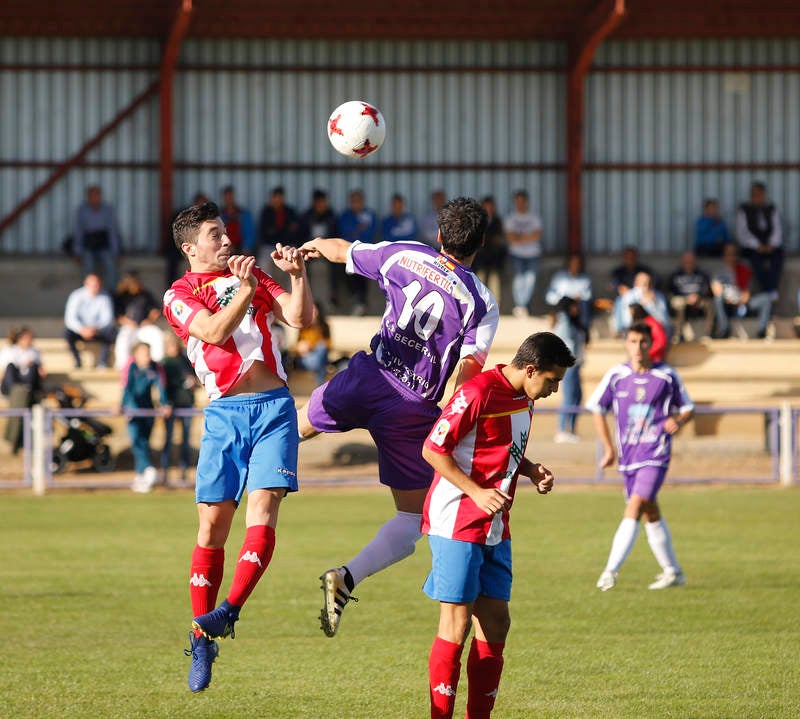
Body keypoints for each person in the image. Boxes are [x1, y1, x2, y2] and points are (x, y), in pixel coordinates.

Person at [298, 196, 500, 638]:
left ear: (440, 235)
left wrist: (313, 245)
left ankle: (239, 478)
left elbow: (344, 249)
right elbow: (468, 373)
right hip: (412, 409)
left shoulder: (406, 253)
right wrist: (450, 413)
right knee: (412, 521)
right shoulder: (481, 302)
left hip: (371, 375)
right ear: (482, 242)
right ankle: (346, 577)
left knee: (294, 428)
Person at [163, 201, 314, 692]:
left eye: (225, 231)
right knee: (211, 528)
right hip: (225, 417)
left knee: (264, 510)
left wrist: (294, 277)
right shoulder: (179, 293)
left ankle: (228, 611)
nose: (226, 239)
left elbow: (301, 318)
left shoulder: (250, 273)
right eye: (214, 234)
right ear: (190, 247)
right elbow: (212, 331)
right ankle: (201, 635)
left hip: (273, 408)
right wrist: (247, 289)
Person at [421, 332, 574, 719]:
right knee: (456, 625)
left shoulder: (525, 396)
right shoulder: (477, 392)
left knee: (497, 623)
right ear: (531, 368)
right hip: (457, 519)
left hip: (494, 524)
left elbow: (501, 448)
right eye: (552, 381)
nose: (554, 390)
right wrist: (475, 492)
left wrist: (528, 468)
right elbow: (432, 449)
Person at [586, 322, 693, 592]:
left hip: (656, 453)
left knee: (634, 506)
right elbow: (597, 408)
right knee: (649, 510)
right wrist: (609, 448)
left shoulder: (667, 375)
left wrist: (678, 421)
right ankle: (673, 572)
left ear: (651, 344)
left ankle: (610, 571)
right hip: (628, 456)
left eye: (643, 342)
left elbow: (688, 407)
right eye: (632, 341)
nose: (638, 347)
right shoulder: (617, 375)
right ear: (626, 343)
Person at [121, 342, 171, 494]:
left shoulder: (155, 368)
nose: (147, 356)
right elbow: (127, 388)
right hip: (134, 410)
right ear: (135, 355)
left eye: (148, 353)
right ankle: (148, 469)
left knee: (144, 442)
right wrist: (125, 406)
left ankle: (141, 476)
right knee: (136, 440)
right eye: (144, 353)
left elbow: (160, 387)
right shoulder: (131, 367)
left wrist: (164, 404)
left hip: (148, 410)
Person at [711, 243, 774, 339]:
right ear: (724, 255)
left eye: (733, 254)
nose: (731, 257)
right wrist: (728, 298)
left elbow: (749, 289)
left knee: (766, 298)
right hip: (727, 304)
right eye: (728, 254)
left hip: (744, 303)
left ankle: (761, 331)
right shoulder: (718, 272)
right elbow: (716, 289)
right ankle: (724, 330)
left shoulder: (743, 269)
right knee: (717, 299)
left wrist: (745, 296)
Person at [1, 327, 45, 454]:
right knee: (11, 368)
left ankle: (17, 441)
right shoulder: (9, 351)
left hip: (29, 387)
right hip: (13, 387)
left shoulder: (35, 351)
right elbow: (6, 373)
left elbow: (40, 372)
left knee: (33, 368)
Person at [159, 335, 197, 484]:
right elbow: (163, 385)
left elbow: (195, 377)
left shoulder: (185, 361)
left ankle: (184, 471)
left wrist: (193, 383)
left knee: (186, 440)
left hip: (186, 403)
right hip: (171, 404)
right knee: (168, 439)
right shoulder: (164, 363)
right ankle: (165, 470)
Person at [736, 181, 783, 296]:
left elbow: (777, 230)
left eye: (759, 194)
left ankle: (772, 289)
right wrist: (757, 245)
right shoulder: (744, 210)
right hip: (752, 248)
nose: (757, 198)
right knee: (756, 262)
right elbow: (742, 233)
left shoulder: (771, 209)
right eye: (754, 195)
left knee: (777, 258)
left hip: (769, 246)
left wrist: (771, 245)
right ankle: (768, 291)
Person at [299, 189, 344, 312]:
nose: (322, 206)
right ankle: (306, 298)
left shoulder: (331, 216)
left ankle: (333, 297)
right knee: (302, 266)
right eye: (320, 203)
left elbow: (336, 235)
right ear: (315, 203)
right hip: (309, 250)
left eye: (324, 202)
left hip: (327, 250)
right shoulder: (306, 217)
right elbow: (301, 237)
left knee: (338, 266)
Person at [113, 270, 165, 370]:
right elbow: (117, 315)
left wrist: (148, 321)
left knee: (157, 335)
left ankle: (157, 366)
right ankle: (123, 367)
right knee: (123, 339)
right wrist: (127, 322)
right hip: (128, 327)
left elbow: (156, 310)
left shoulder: (145, 294)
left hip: (143, 327)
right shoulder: (121, 296)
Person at [337, 189, 378, 315]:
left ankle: (361, 302)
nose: (356, 203)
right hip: (349, 252)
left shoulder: (370, 214)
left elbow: (371, 232)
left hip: (366, 251)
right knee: (349, 272)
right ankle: (356, 300)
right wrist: (359, 229)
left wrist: (357, 231)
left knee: (364, 274)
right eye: (353, 201)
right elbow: (345, 232)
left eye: (358, 201)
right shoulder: (345, 216)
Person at [550, 297, 585, 443]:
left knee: (577, 397)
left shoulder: (571, 322)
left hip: (575, 365)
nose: (577, 309)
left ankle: (571, 429)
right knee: (569, 397)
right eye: (574, 306)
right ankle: (563, 429)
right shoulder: (564, 323)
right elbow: (565, 347)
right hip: (569, 366)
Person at [63, 273, 117, 369]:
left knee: (111, 333)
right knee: (67, 333)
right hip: (80, 331)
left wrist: (94, 329)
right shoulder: (76, 296)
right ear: (86, 284)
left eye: (97, 285)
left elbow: (107, 319)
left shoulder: (105, 297)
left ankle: (102, 362)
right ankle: (77, 361)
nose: (95, 288)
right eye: (92, 285)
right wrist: (81, 329)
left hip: (97, 330)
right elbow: (70, 318)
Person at [73, 184, 122, 289]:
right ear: (88, 197)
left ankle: (112, 295)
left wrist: (116, 251)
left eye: (96, 195)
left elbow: (112, 231)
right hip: (89, 245)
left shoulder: (107, 210)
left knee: (110, 265)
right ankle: (87, 292)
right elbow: (79, 232)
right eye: (91, 196)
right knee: (88, 265)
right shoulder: (82, 211)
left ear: (100, 196)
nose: (94, 198)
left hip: (103, 244)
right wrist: (77, 251)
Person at [503, 189, 542, 317]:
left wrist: (520, 238)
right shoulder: (511, 217)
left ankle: (522, 305)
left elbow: (537, 235)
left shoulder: (533, 217)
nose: (520, 204)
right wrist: (527, 237)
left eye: (522, 201)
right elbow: (510, 237)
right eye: (517, 201)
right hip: (516, 253)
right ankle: (521, 306)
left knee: (531, 279)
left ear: (526, 202)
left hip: (532, 254)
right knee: (518, 280)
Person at [545, 253, 593, 342]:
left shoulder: (584, 279)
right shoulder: (559, 277)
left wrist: (576, 301)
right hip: (562, 307)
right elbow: (550, 296)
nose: (575, 266)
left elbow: (588, 296)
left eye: (577, 263)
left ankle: (584, 333)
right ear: (569, 264)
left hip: (578, 309)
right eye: (573, 263)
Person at [667, 250, 713, 342]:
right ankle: (678, 334)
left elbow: (707, 289)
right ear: (682, 261)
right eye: (686, 261)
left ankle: (708, 334)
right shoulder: (675, 275)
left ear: (695, 261)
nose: (689, 263)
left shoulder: (702, 275)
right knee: (679, 303)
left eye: (691, 261)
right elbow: (670, 291)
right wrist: (685, 298)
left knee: (709, 304)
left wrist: (697, 296)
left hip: (698, 299)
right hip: (681, 299)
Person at [166, 192, 209, 286]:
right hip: (181, 246)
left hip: (201, 247)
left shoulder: (210, 219)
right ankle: (170, 285)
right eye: (199, 203)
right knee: (172, 259)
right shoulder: (183, 216)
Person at [609, 247, 655, 334]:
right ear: (624, 258)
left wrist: (649, 289)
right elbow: (612, 285)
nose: (630, 260)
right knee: (622, 302)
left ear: (636, 258)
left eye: (632, 257)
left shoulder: (643, 269)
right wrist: (619, 288)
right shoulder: (618, 271)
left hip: (643, 297)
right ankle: (624, 329)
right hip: (626, 298)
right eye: (628, 257)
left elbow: (655, 280)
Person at [471, 195, 506, 304]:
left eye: (490, 206)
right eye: (486, 206)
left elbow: (499, 238)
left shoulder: (497, 220)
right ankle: (480, 303)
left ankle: (496, 304)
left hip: (494, 256)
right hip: (480, 256)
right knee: (479, 280)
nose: (488, 209)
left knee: (494, 281)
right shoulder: (478, 220)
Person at [617, 272, 670, 336]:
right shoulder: (629, 296)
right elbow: (627, 321)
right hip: (635, 331)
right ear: (636, 284)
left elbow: (664, 321)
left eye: (650, 284)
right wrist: (642, 305)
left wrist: (654, 304)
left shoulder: (658, 296)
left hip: (655, 332)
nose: (647, 286)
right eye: (644, 284)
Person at [291, 302, 332, 386]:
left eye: (313, 310)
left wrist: (310, 346)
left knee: (321, 349)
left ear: (318, 312)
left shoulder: (324, 327)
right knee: (321, 361)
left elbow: (328, 345)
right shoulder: (303, 327)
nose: (312, 313)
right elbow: (298, 347)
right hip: (306, 359)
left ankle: (319, 385)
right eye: (309, 310)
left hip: (319, 357)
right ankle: (320, 387)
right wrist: (302, 348)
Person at [219, 185, 256, 254]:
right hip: (225, 247)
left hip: (241, 248)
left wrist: (246, 247)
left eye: (230, 197)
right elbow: (218, 235)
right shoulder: (219, 216)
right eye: (226, 197)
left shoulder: (244, 214)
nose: (228, 200)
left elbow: (250, 233)